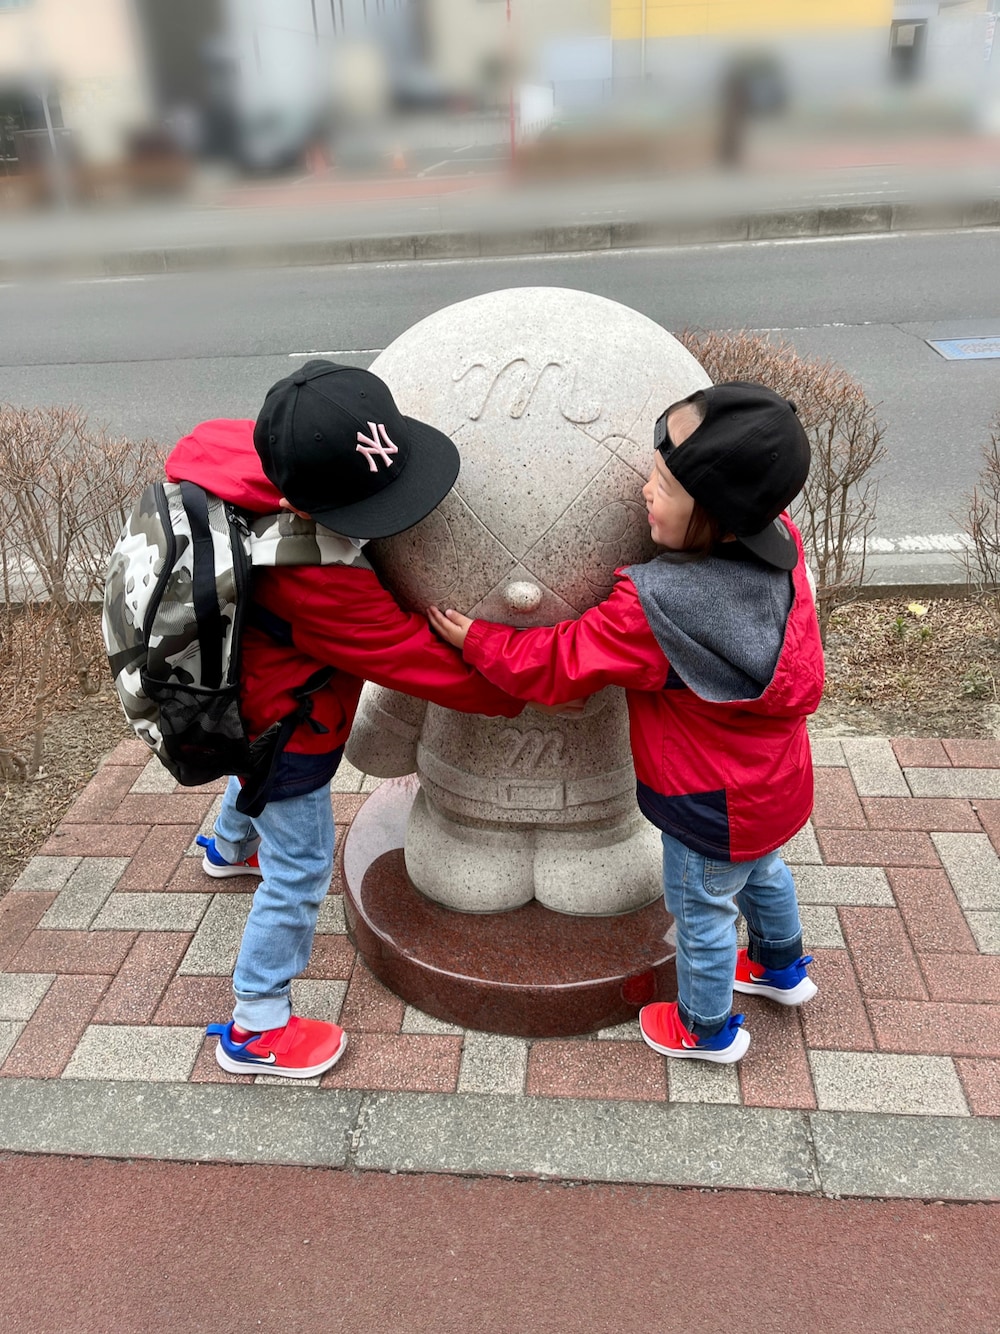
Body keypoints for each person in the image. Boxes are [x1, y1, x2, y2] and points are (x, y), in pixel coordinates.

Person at [429, 382, 824, 1064]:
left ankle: (705, 1029)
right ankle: (781, 967)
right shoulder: (780, 544)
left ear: (716, 514)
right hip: (777, 785)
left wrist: (481, 642)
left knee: (701, 913)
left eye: (663, 486)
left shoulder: (656, 608)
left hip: (705, 805)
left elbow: (561, 661)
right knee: (763, 872)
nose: (644, 489)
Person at [164, 359, 524, 1079]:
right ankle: (257, 1023)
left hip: (239, 695)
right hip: (287, 724)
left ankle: (228, 847)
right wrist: (529, 682)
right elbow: (420, 662)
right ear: (299, 508)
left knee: (253, 770)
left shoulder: (239, 449)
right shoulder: (316, 581)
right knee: (300, 869)